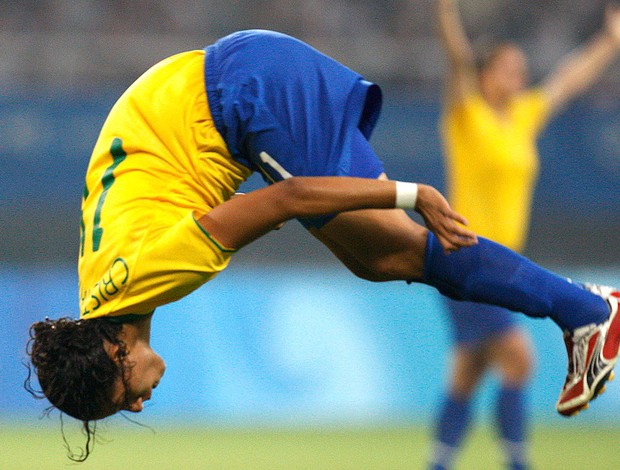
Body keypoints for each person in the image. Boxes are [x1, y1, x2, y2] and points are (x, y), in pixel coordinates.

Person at [25, 30, 619, 462]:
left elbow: (287, 200)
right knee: (374, 259)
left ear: (112, 355)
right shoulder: (99, 286)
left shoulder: (146, 276)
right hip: (225, 86)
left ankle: (591, 312)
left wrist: (411, 194)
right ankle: (585, 312)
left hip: (245, 91)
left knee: (395, 248)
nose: (134, 407)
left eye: (118, 397)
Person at [428, 2, 620, 469]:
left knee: (468, 372)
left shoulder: (522, 116)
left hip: (497, 258)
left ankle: (438, 462)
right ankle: (517, 462)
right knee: (519, 359)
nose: (518, 78)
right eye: (509, 69)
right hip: (466, 256)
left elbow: (568, 80)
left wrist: (610, 42)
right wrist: (445, 11)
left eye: (521, 70)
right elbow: (456, 58)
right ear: (485, 73)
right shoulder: (466, 113)